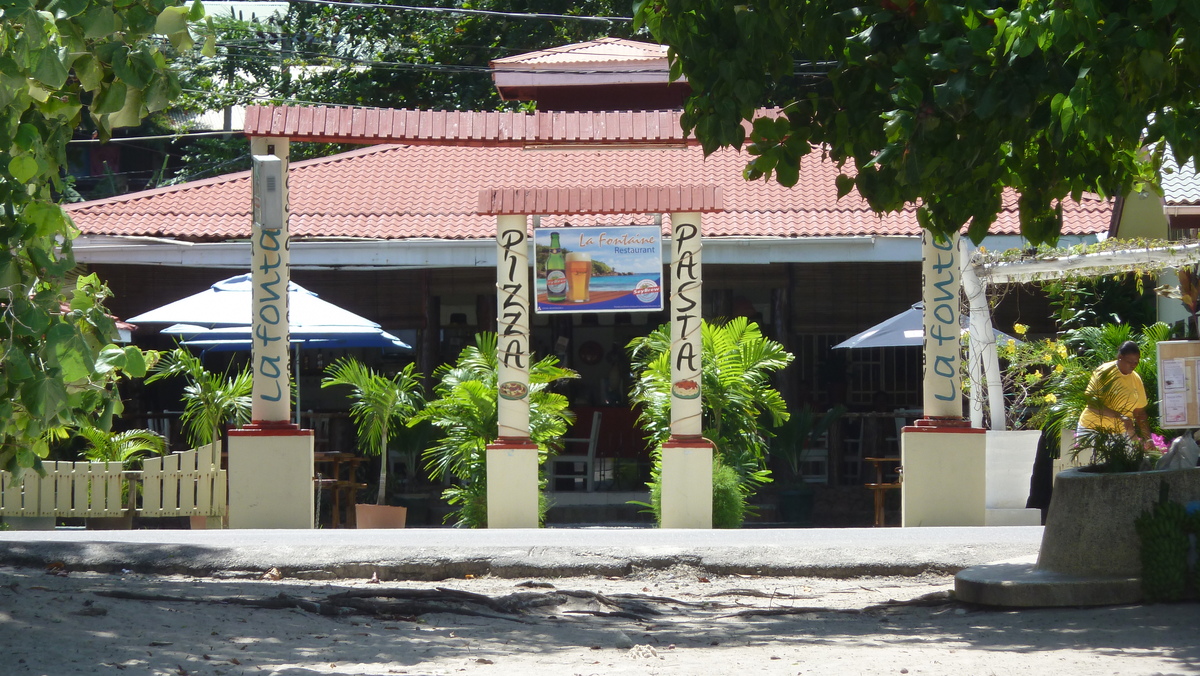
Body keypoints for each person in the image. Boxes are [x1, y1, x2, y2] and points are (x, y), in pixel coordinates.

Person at [1077, 340, 1151, 444]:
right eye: (1130, 362)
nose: (1133, 365)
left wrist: (1148, 438)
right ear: (1120, 357)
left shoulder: (1136, 379)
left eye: (1136, 362)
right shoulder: (1104, 372)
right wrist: (1119, 416)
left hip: (1121, 433)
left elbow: (1140, 413)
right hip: (1093, 430)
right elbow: (1092, 404)